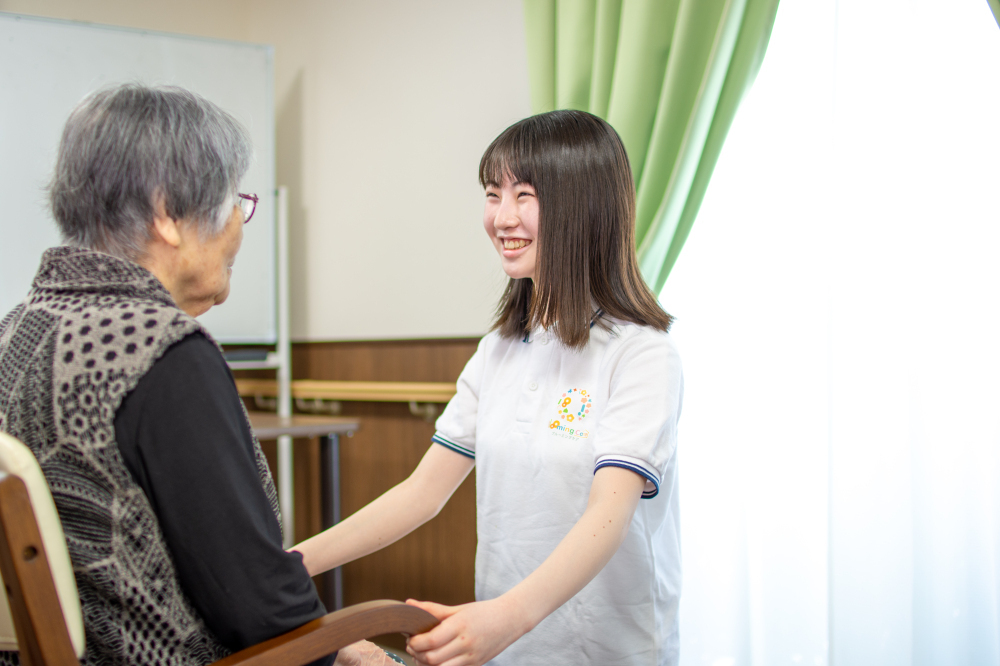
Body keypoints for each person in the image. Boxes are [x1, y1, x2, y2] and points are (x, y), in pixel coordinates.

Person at [0, 84, 396, 666]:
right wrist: (339, 647)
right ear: (166, 213)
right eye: (234, 197)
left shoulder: (16, 331)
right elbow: (259, 608)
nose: (240, 219)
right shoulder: (160, 354)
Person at [293, 110, 683, 666]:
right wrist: (292, 562)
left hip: (607, 652)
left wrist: (507, 615)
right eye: (493, 193)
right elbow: (421, 494)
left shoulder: (640, 354)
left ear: (583, 205)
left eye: (524, 195)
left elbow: (609, 514)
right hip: (507, 649)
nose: (502, 217)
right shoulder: (499, 350)